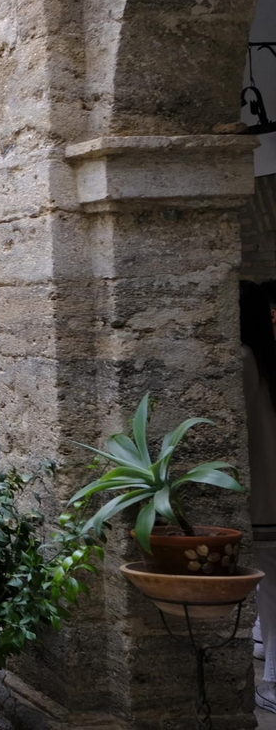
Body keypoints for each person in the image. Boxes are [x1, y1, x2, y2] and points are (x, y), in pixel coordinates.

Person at [242, 281, 276, 711]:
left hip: (261, 490)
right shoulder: (268, 360)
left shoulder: (245, 360)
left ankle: (272, 679)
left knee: (268, 582)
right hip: (272, 484)